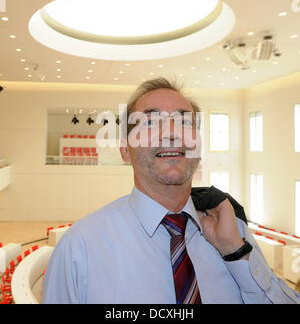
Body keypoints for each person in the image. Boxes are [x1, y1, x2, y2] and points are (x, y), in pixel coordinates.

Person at [42, 77, 300, 304]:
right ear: (124, 150)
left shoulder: (234, 232)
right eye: (152, 122)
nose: (172, 133)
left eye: (185, 122)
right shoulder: (80, 248)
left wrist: (235, 251)